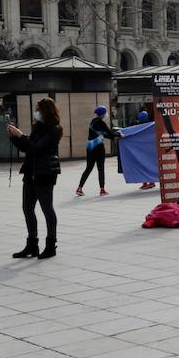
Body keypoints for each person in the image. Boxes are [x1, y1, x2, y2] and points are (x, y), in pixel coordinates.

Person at [7, 98, 63, 260]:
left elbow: (38, 148)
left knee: (47, 208)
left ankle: (51, 245)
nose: (36, 112)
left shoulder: (55, 129)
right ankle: (32, 245)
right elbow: (28, 148)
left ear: (46, 111)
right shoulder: (38, 128)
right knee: (27, 208)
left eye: (38, 109)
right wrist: (14, 137)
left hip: (45, 172)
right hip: (30, 172)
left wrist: (21, 135)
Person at [76, 105, 119, 196]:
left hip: (90, 147)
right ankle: (102, 190)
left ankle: (79, 188)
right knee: (100, 168)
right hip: (98, 147)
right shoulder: (101, 123)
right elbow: (109, 133)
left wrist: (113, 136)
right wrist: (119, 135)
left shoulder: (93, 122)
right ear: (103, 114)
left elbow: (103, 134)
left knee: (88, 168)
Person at [133, 109, 156, 190]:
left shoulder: (139, 125)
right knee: (148, 165)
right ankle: (149, 182)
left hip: (142, 149)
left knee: (143, 165)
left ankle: (147, 182)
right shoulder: (150, 125)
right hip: (149, 149)